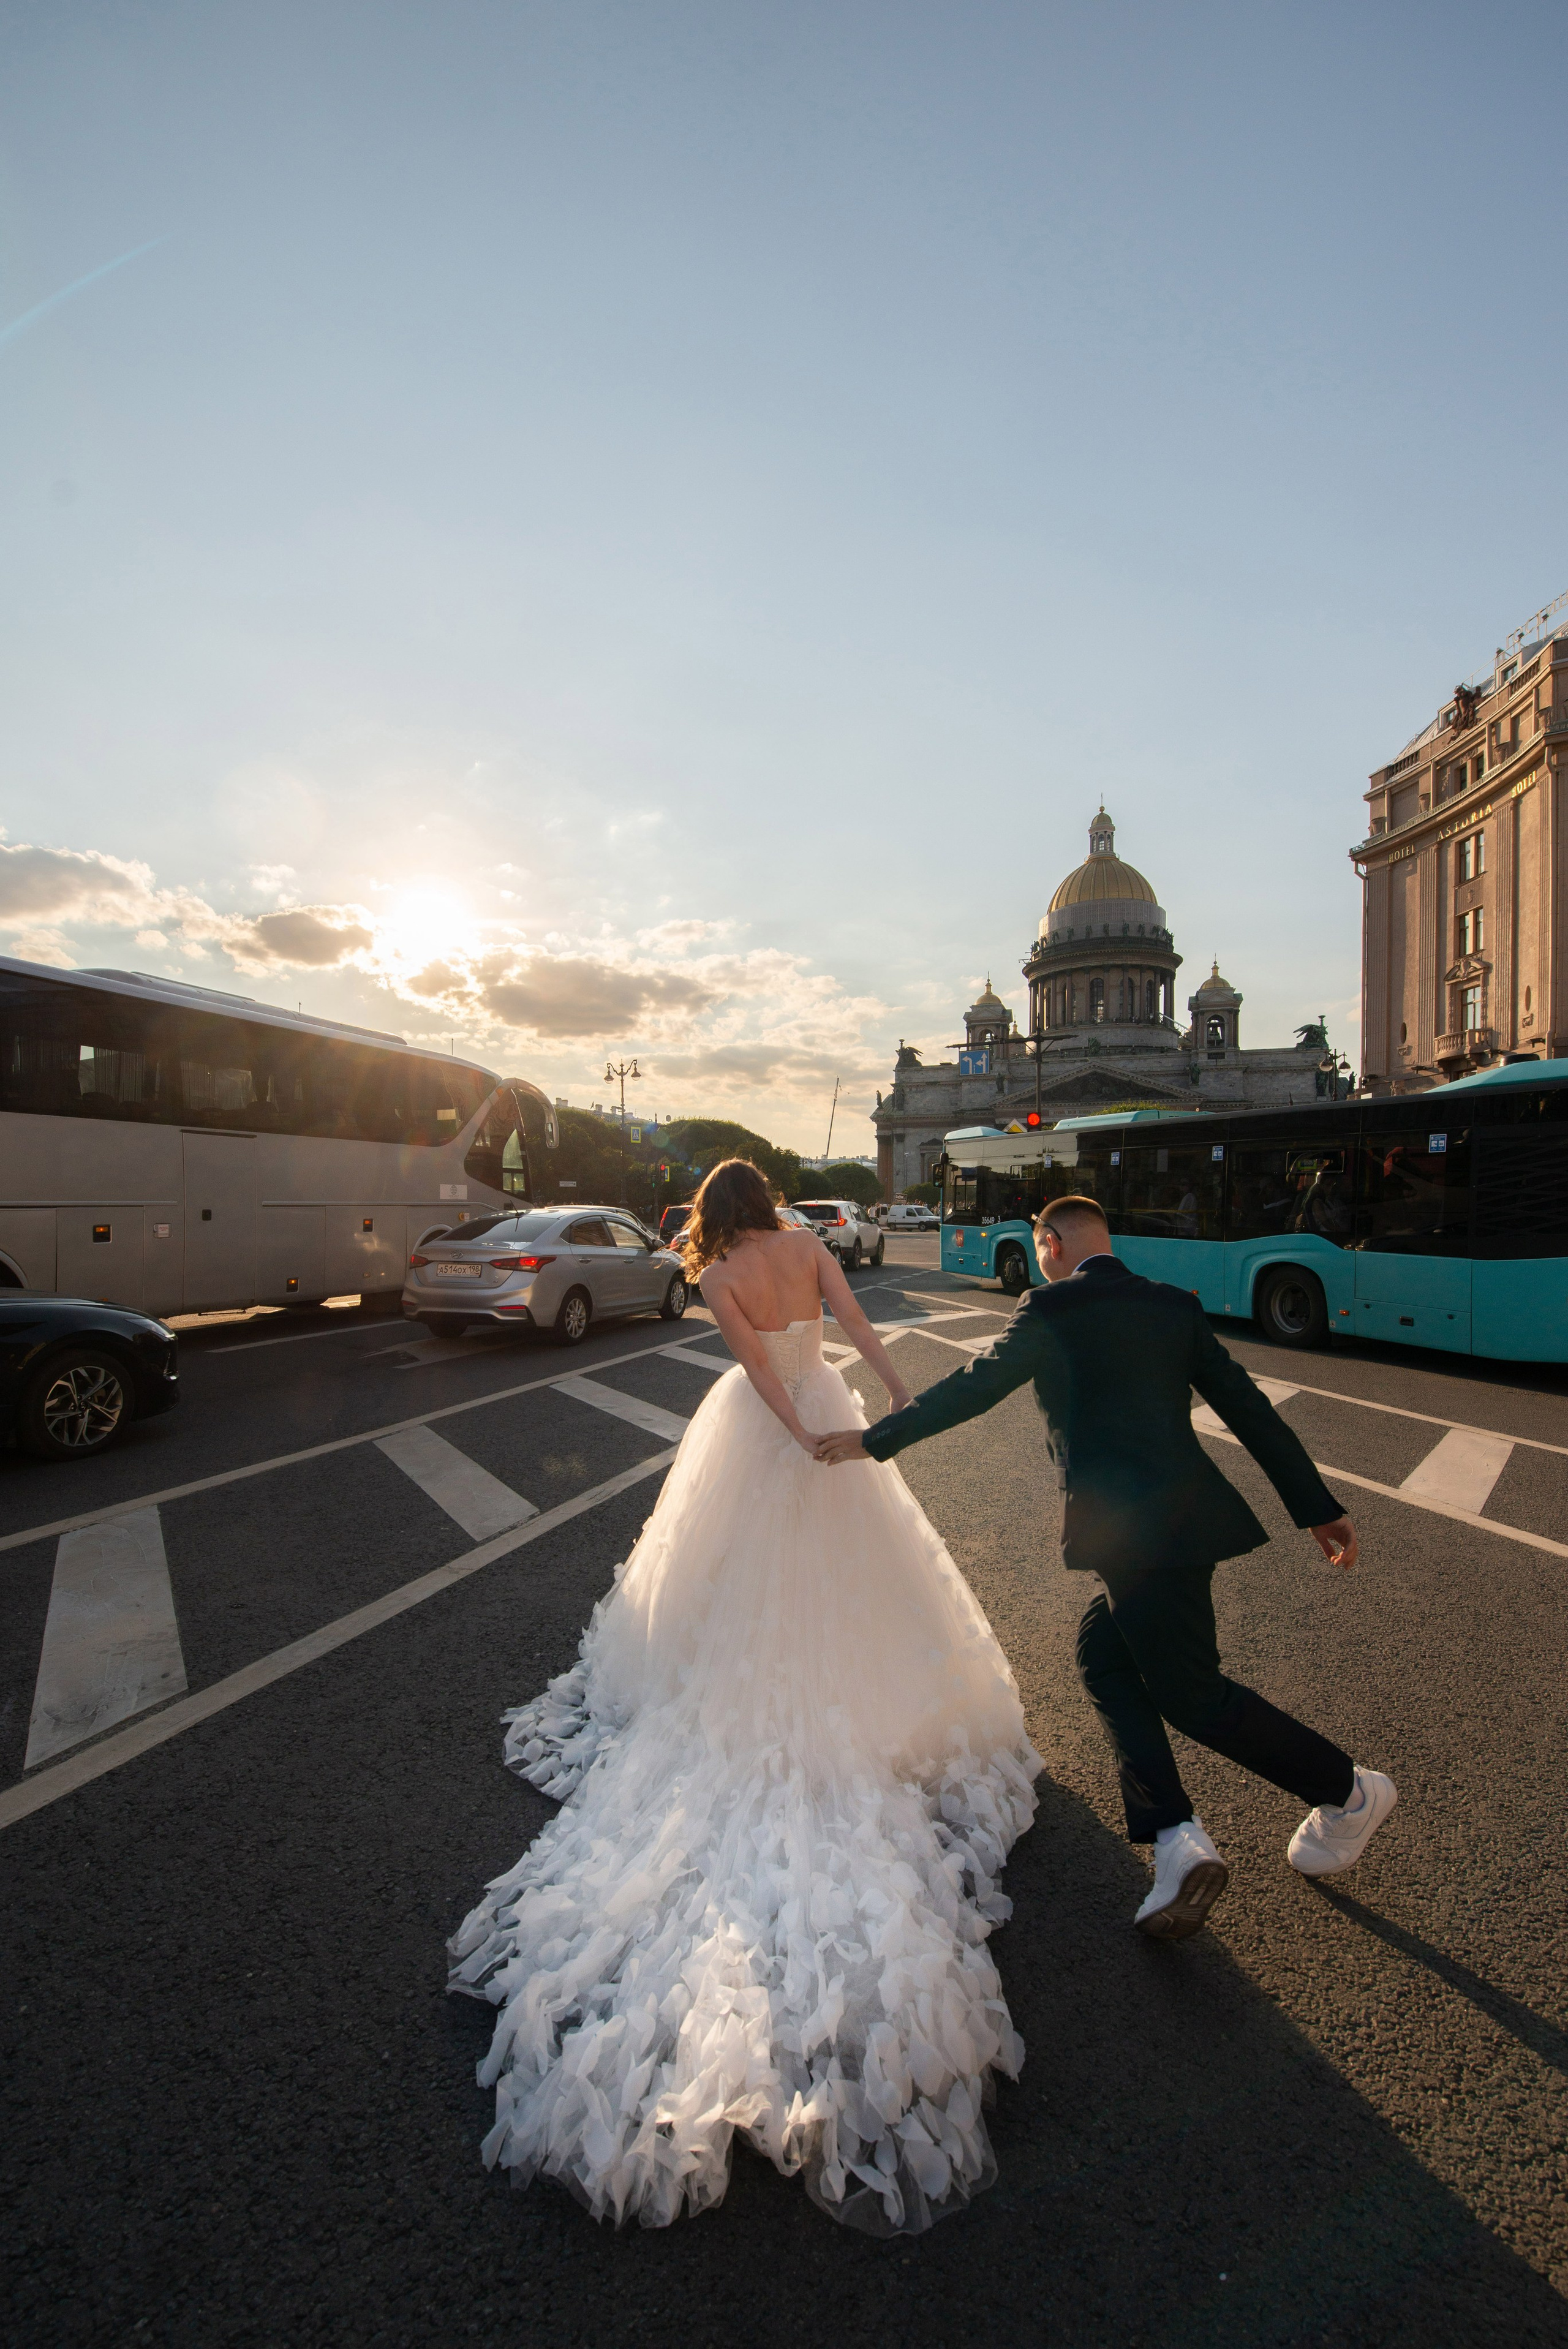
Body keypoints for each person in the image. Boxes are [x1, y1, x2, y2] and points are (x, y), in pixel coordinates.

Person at [447, 1159, 1041, 2234]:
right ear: (767, 1199)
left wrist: (792, 1431)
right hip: (832, 1401)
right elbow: (859, 1322)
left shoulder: (721, 1272)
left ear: (708, 1216)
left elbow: (755, 1375)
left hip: (769, 1424)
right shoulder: (810, 1243)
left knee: (727, 1589)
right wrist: (887, 1398)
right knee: (866, 1573)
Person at [816, 1194, 1396, 1942]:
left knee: (1193, 1696)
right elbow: (1250, 1409)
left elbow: (974, 1386)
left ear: (1051, 1242)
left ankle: (1346, 1793)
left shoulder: (1049, 1310)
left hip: (1134, 1535)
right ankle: (1174, 1835)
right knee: (1103, 1657)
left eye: (1036, 1246)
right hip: (1183, 1520)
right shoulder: (1171, 1306)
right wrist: (1315, 1505)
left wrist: (877, 1437)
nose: (1037, 1258)